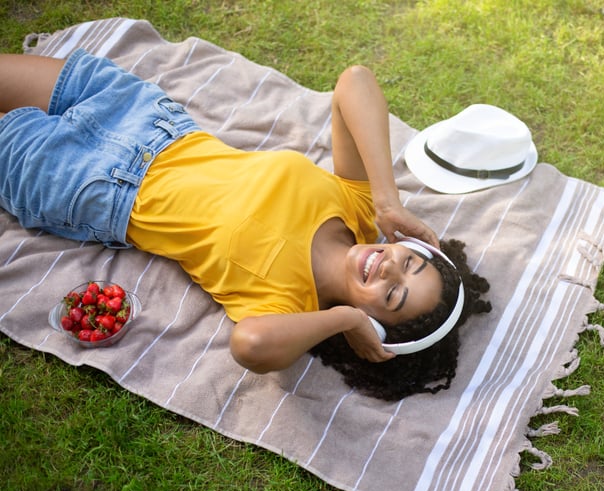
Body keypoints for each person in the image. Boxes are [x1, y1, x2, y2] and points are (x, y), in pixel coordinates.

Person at [0, 49, 491, 400]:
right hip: (144, 117)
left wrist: (345, 322)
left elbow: (250, 346)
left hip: (83, 183)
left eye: (392, 296)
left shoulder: (287, 306)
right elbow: (354, 81)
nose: (388, 269)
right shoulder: (361, 209)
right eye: (408, 261)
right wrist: (388, 198)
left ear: (375, 327)